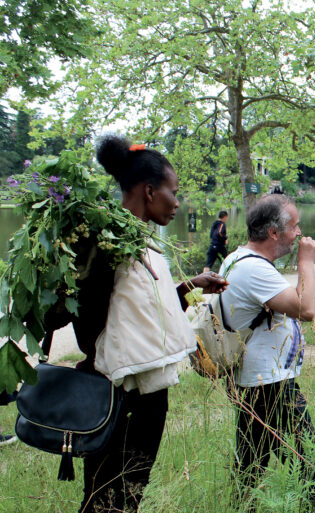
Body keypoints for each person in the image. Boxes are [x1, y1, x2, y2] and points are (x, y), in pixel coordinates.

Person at [74, 135, 227, 512]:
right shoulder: (108, 244)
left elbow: (137, 312)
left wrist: (190, 286)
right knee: (105, 500)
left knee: (128, 498)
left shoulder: (143, 245)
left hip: (148, 397)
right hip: (121, 397)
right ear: (148, 190)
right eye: (173, 192)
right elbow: (89, 323)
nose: (177, 203)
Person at [218, 194, 315, 497]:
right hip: (269, 383)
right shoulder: (254, 269)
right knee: (310, 460)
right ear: (274, 233)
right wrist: (306, 262)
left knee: (250, 465)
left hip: (255, 381)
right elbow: (306, 308)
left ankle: (241, 504)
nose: (299, 233)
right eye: (295, 226)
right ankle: (312, 504)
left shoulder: (238, 259)